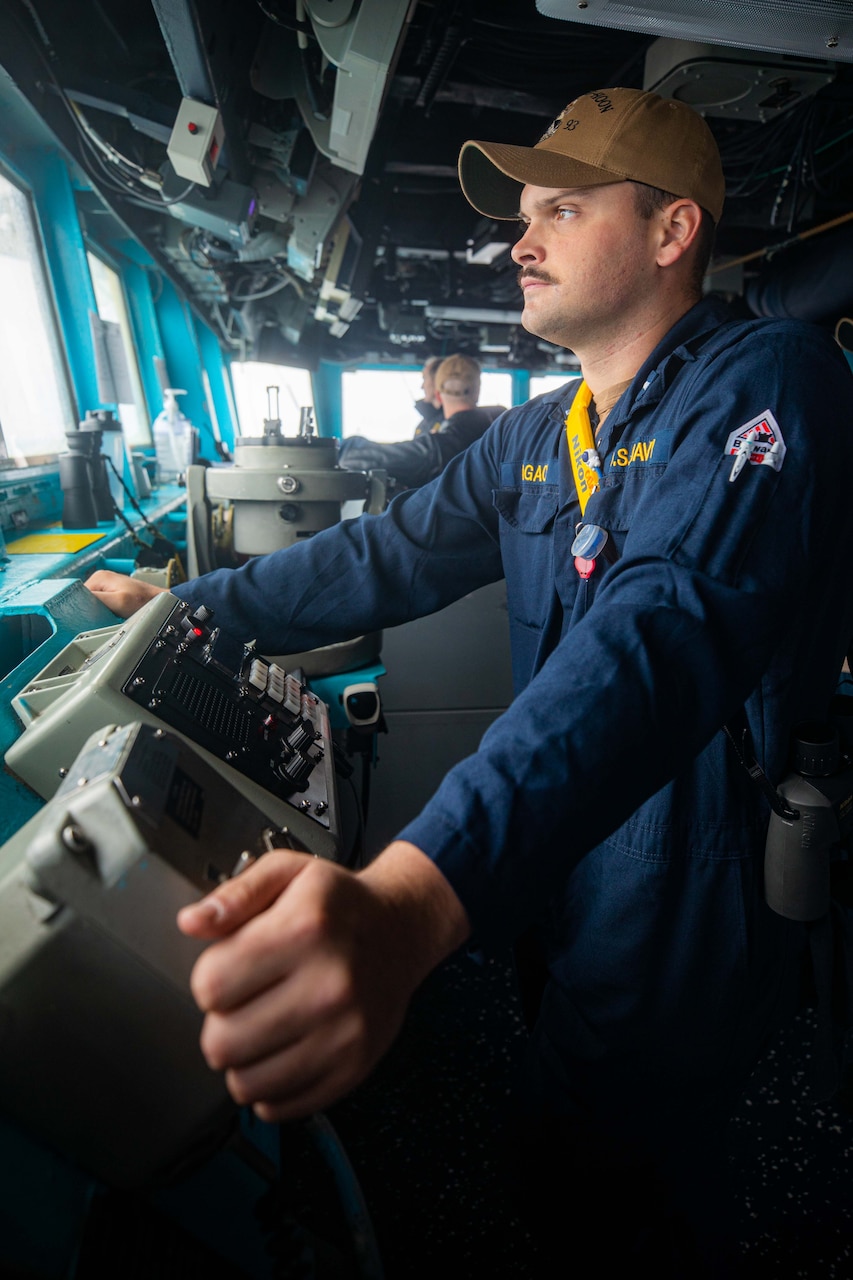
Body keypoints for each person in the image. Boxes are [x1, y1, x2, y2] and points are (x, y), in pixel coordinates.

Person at [85, 86, 853, 1273]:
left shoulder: (768, 384)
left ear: (670, 233)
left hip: (687, 865)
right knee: (554, 1129)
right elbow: (384, 555)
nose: (519, 241)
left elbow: (657, 629)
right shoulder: (541, 431)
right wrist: (192, 609)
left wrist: (412, 896)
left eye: (561, 207)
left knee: (623, 1175)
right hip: (560, 845)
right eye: (523, 215)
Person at [337, 353, 505, 490]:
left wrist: (346, 447)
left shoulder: (440, 446)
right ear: (477, 392)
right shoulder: (500, 430)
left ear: (438, 395)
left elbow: (358, 458)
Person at [413, 355, 443, 435]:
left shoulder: (452, 423)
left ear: (437, 381)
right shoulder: (422, 426)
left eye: (425, 378)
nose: (422, 387)